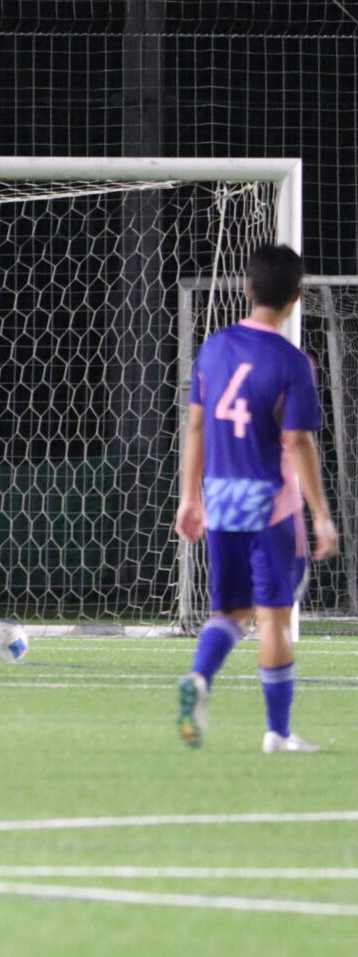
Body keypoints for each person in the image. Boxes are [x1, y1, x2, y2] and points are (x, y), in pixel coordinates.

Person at [174, 243, 340, 752]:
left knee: (231, 612)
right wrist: (321, 515)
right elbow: (297, 441)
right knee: (273, 616)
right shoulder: (293, 362)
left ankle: (199, 677)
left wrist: (189, 498)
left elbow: (196, 427)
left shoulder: (214, 348)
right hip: (271, 505)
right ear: (297, 296)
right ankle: (278, 733)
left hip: (221, 500)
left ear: (247, 289)